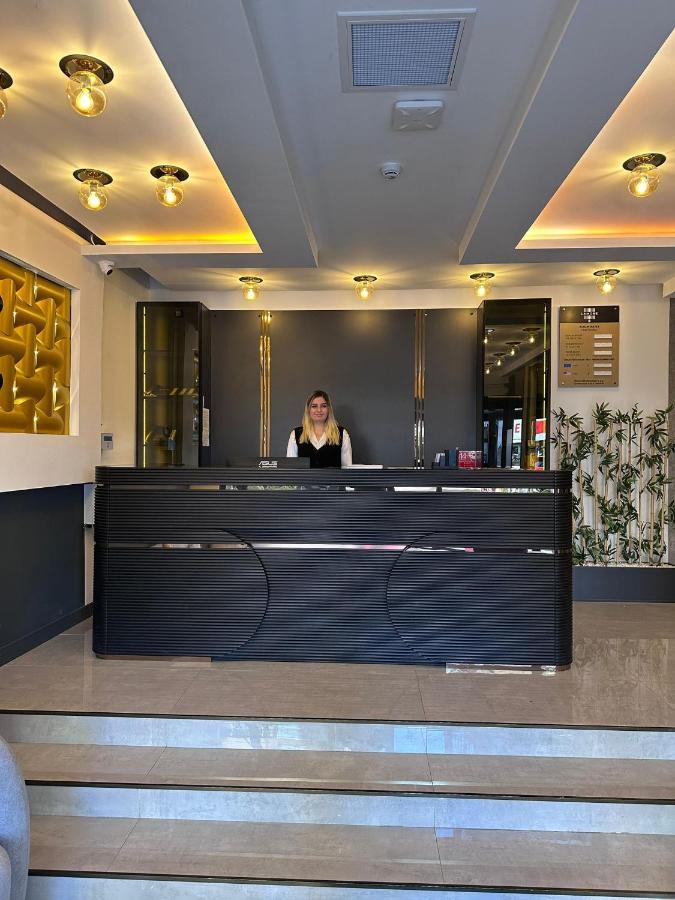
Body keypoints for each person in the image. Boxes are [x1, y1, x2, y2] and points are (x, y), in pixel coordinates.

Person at [287, 389, 352, 468]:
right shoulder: (295, 435)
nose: (319, 410)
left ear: (328, 409)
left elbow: (347, 469)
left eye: (323, 406)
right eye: (314, 406)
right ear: (308, 410)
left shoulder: (342, 434)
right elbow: (290, 470)